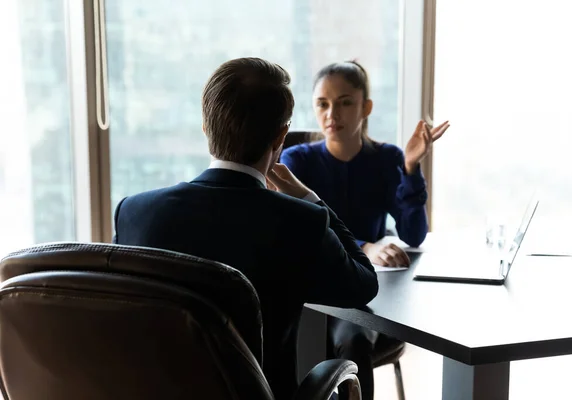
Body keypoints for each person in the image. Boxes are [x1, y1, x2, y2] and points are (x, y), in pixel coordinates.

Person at [112, 58, 378, 400]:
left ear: (206, 128)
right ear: (280, 137)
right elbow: (363, 284)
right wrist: (312, 200)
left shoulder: (134, 212)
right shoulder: (300, 221)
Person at [280, 60, 449, 400]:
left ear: (365, 107)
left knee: (355, 335)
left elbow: (414, 234)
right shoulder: (297, 160)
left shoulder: (386, 159)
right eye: (322, 104)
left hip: (364, 297)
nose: (332, 114)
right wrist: (365, 245)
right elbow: (296, 232)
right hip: (309, 293)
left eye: (345, 102)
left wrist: (411, 168)